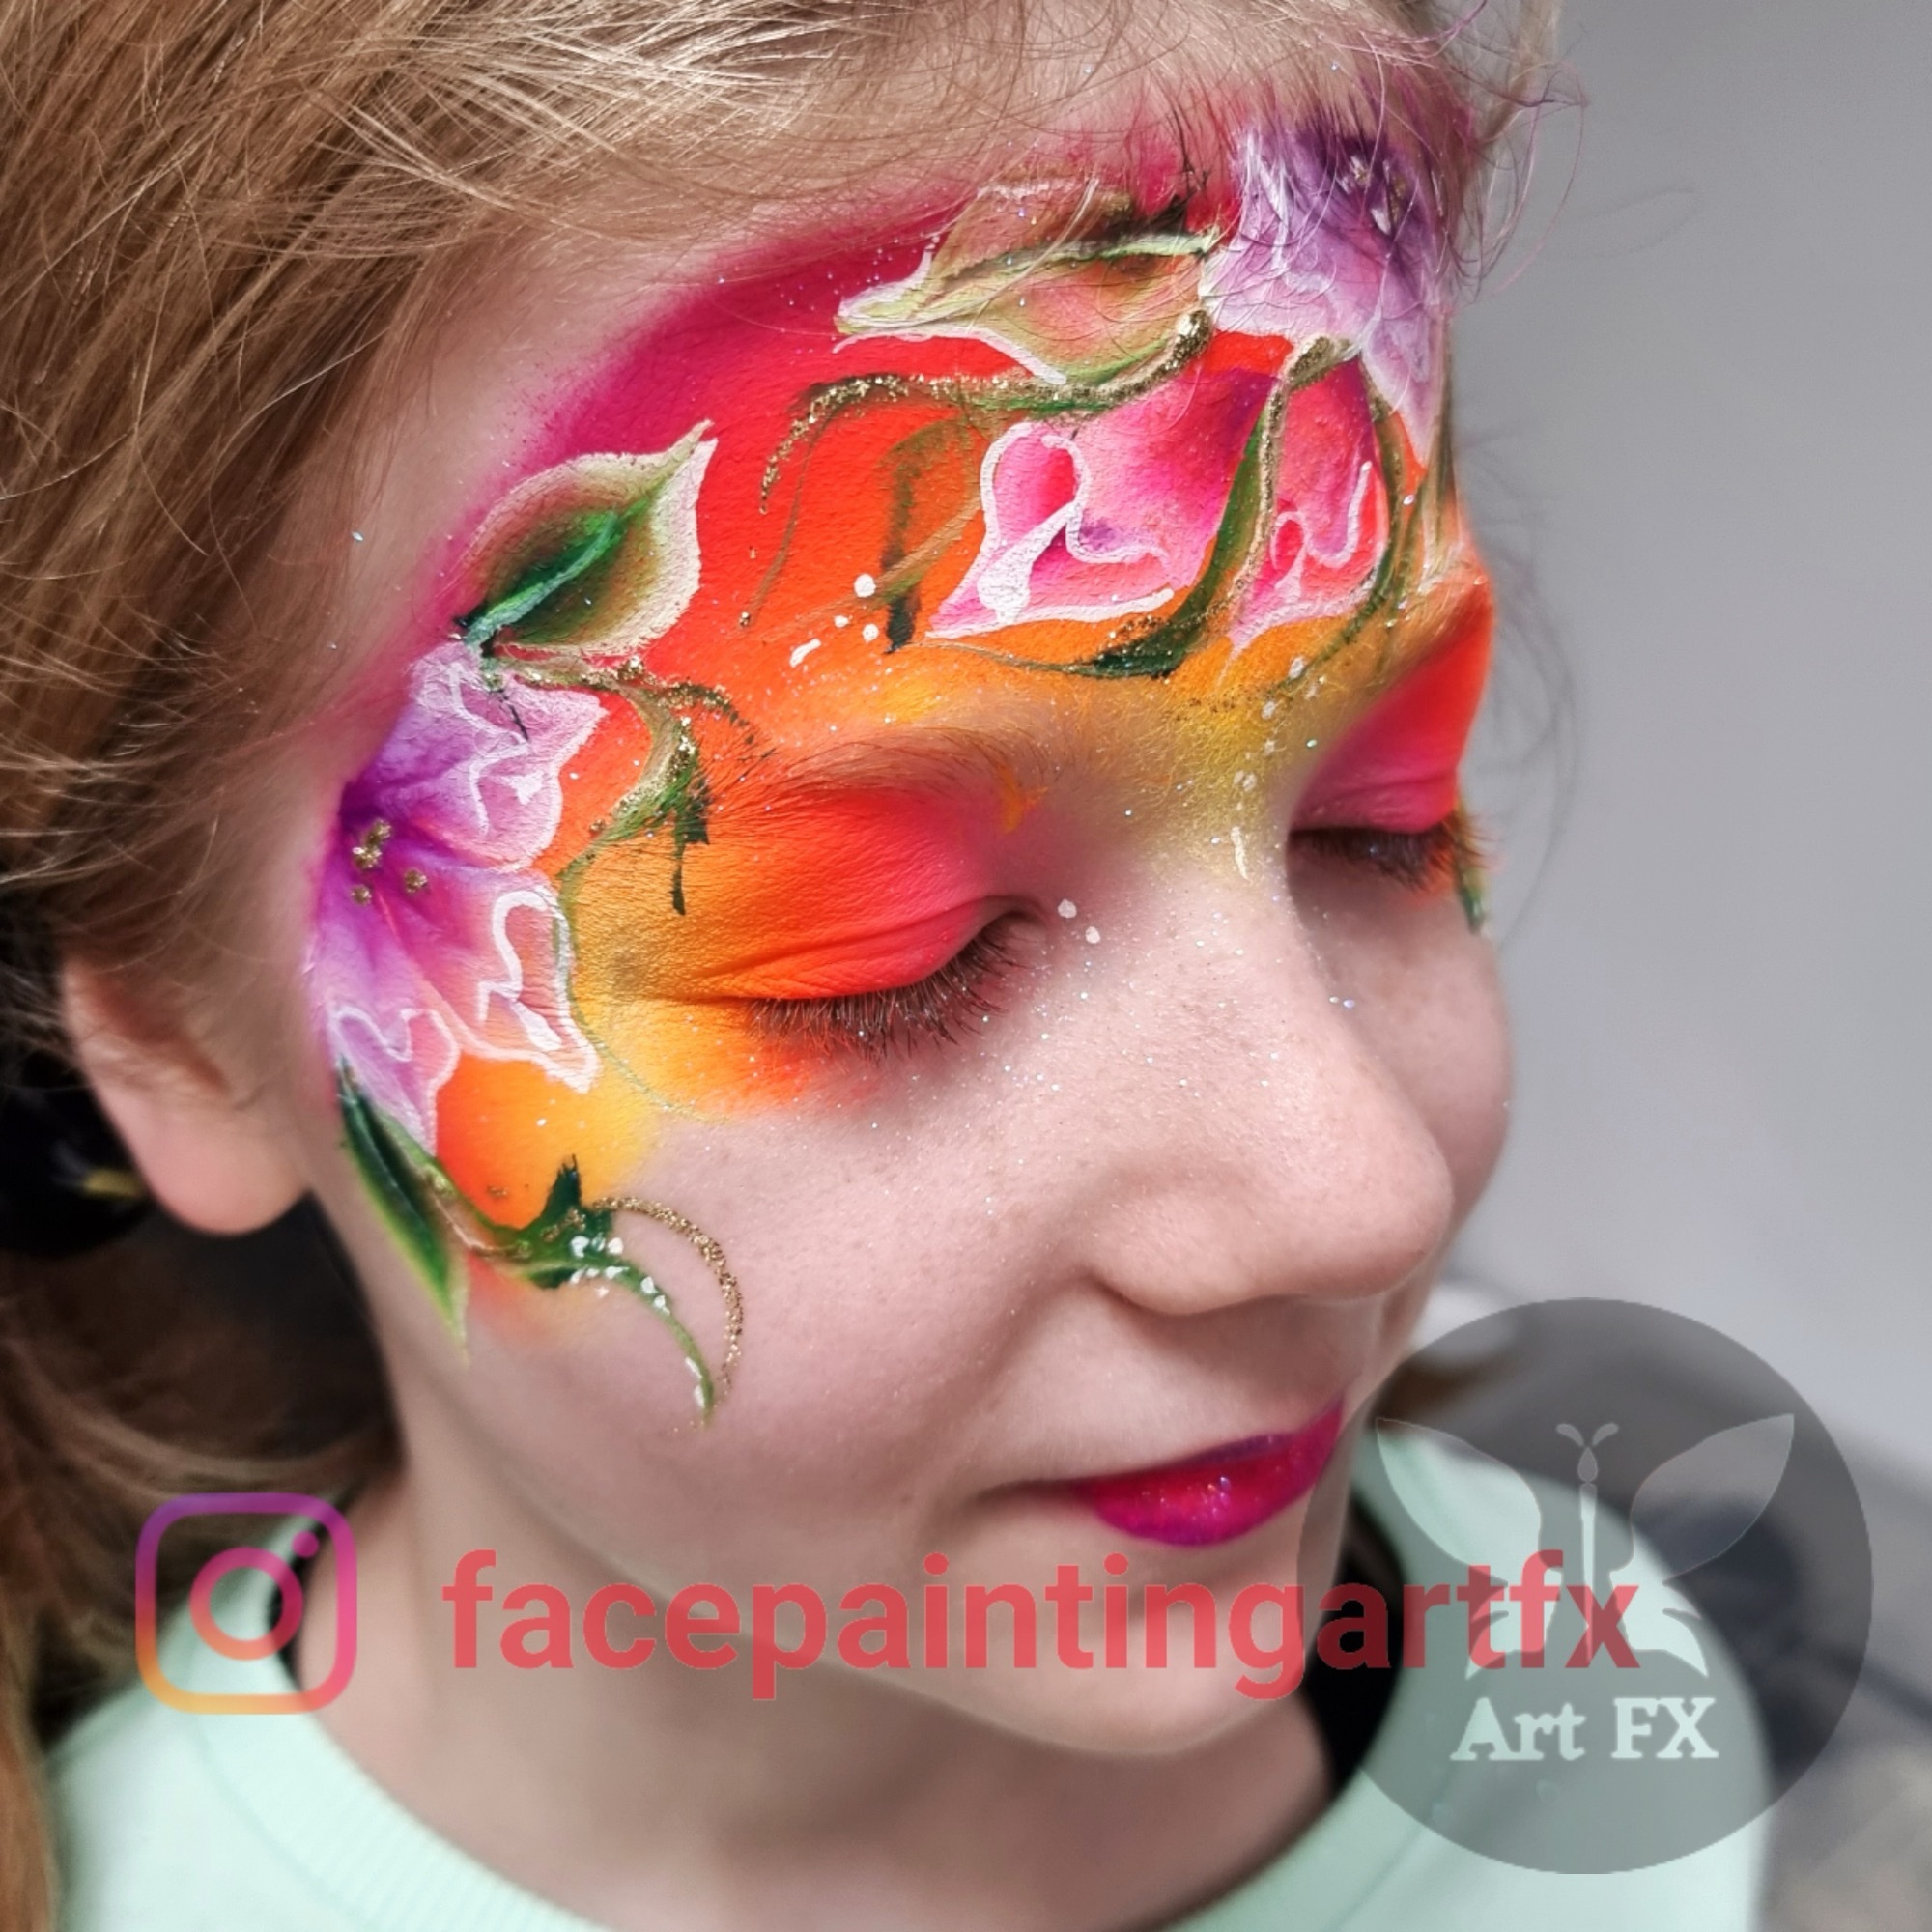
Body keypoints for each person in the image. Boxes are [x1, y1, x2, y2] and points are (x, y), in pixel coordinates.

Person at [0, 1, 1761, 1924]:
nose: (1356, 1188)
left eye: (1374, 819)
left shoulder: (1594, 1712)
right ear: (174, 1031)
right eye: (879, 960)